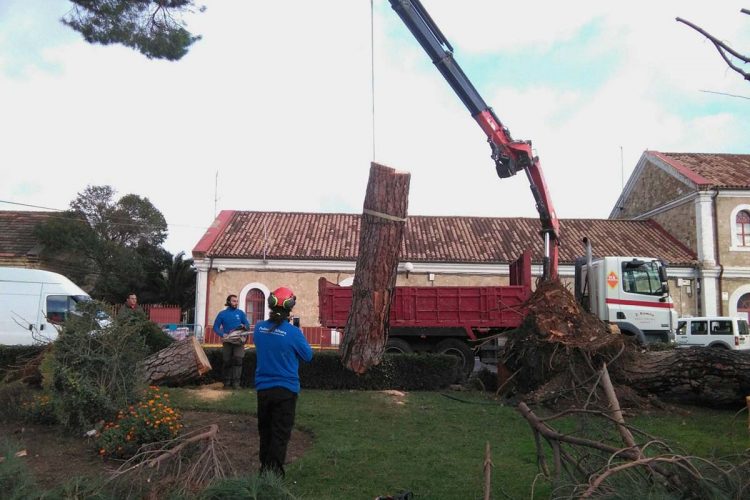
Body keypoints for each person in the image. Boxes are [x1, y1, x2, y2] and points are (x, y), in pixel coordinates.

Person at [254, 286, 313, 477]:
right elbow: (308, 356)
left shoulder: (259, 328)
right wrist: (299, 333)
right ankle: (273, 476)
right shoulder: (293, 333)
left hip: (263, 389)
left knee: (266, 431)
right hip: (286, 390)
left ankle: (264, 469)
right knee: (280, 434)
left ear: (270, 305)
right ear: (290, 307)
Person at [213, 294, 251, 389]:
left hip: (238, 341)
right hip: (227, 341)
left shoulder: (240, 313)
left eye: (237, 301)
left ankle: (236, 384)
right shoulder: (222, 314)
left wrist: (245, 327)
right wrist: (223, 334)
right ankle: (226, 383)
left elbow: (247, 324)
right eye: (234, 301)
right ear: (229, 302)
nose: (236, 303)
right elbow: (215, 327)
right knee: (227, 361)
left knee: (238, 361)